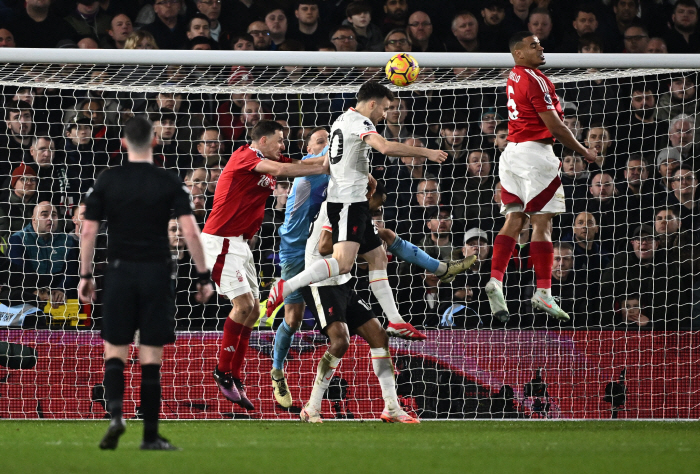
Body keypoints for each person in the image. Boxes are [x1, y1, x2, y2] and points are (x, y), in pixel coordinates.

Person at [266, 80, 450, 341]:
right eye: (385, 108)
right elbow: (385, 147)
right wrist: (426, 152)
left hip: (353, 202)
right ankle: (287, 286)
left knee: (378, 257)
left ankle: (396, 321)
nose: (384, 114)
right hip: (347, 203)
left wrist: (364, 176)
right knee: (343, 263)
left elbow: (333, 162)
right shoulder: (362, 123)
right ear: (372, 104)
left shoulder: (341, 119)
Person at [78, 116, 213, 451]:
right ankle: (150, 435)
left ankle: (115, 415)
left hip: (120, 272)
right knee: (151, 355)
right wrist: (202, 276)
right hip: (156, 273)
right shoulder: (168, 181)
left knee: (115, 350)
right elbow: (191, 230)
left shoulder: (107, 179)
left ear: (123, 143)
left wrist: (85, 275)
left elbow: (89, 230)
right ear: (154, 142)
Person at [201, 120, 327, 410]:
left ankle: (233, 374)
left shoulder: (271, 158)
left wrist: (334, 160)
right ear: (263, 140)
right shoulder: (246, 156)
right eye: (279, 140)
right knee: (243, 306)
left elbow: (296, 162)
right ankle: (222, 371)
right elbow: (285, 170)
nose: (283, 145)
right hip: (220, 239)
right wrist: (324, 167)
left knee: (255, 310)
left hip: (240, 244)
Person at [485, 32, 597, 324]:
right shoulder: (535, 79)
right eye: (533, 45)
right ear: (519, 53)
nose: (541, 47)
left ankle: (495, 280)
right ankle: (543, 291)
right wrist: (585, 151)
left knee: (515, 219)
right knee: (542, 223)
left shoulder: (514, 76)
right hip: (536, 155)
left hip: (511, 153)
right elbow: (556, 127)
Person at [298, 200, 418, 424]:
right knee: (340, 341)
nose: (373, 212)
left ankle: (392, 406)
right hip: (320, 283)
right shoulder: (339, 204)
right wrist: (358, 242)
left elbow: (362, 265)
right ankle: (311, 407)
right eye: (373, 206)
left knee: (379, 336)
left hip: (343, 282)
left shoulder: (358, 213)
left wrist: (370, 251)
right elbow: (324, 246)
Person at [9, 202, 77, 310]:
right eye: (44, 214)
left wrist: (62, 289)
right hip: (28, 295)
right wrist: (35, 292)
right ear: (34, 219)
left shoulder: (67, 241)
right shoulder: (18, 240)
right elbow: (18, 274)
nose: (50, 218)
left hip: (58, 295)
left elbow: (72, 271)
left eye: (54, 215)